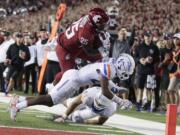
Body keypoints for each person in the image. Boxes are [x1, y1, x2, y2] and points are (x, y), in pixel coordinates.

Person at [9, 53, 135, 121]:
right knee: (49, 100)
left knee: (49, 100)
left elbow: (106, 83)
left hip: (75, 79)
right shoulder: (109, 70)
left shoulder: (110, 67)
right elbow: (105, 91)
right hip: (73, 79)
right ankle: (17, 106)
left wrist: (118, 90)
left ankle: (18, 100)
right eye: (127, 71)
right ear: (122, 66)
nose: (126, 74)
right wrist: (121, 101)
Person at [53, 7, 109, 86]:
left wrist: (101, 47)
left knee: (99, 58)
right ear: (96, 22)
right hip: (65, 49)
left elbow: (94, 35)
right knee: (68, 75)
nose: (105, 25)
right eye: (103, 23)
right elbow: (89, 51)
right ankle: (52, 87)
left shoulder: (90, 22)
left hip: (77, 47)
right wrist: (102, 49)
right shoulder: (85, 31)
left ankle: (99, 84)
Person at [53, 86, 130, 125]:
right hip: (89, 99)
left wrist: (85, 122)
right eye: (98, 104)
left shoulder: (110, 109)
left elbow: (100, 122)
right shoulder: (90, 94)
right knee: (69, 103)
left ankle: (73, 116)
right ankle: (58, 97)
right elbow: (75, 103)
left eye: (100, 106)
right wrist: (64, 116)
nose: (97, 106)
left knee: (76, 118)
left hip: (96, 111)